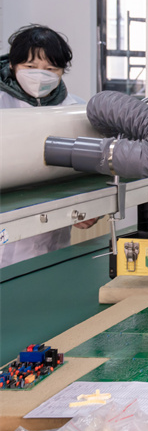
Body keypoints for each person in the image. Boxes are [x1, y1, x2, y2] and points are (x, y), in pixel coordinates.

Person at [0, 25, 97, 269]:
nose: (40, 76)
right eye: (30, 67)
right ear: (12, 65)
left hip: (50, 236)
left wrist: (89, 209)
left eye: (51, 69)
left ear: (63, 71)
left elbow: (88, 173)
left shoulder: (75, 110)